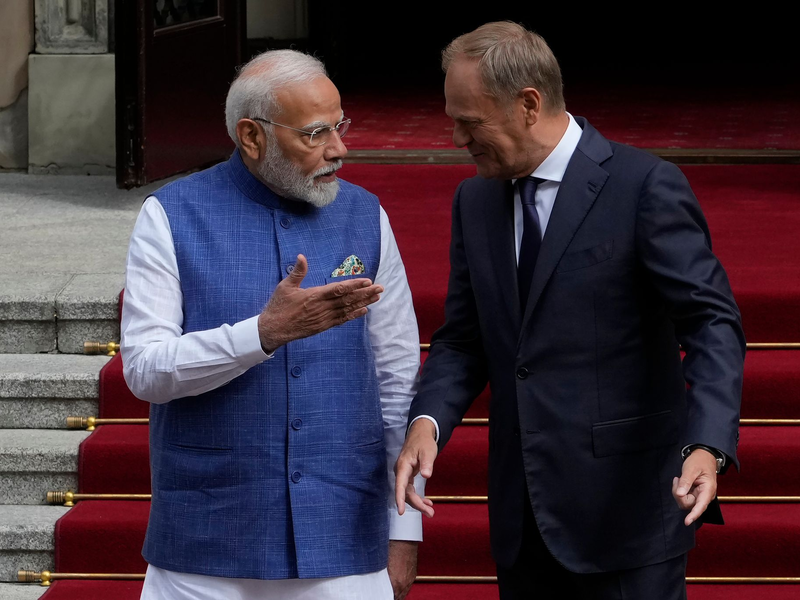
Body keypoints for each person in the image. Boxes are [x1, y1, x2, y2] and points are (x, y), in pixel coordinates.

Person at [395, 21, 745, 600]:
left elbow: (713, 323)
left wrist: (705, 443)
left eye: (470, 121)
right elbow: (463, 337)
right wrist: (427, 422)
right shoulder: (474, 199)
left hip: (626, 517)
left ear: (528, 104)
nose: (457, 138)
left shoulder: (644, 186)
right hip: (522, 517)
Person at [121, 49, 423, 600]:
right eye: (314, 134)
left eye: (340, 126)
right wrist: (259, 335)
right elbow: (144, 371)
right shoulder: (170, 215)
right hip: (205, 545)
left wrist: (404, 529)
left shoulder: (366, 215)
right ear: (251, 136)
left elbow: (398, 375)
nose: (339, 149)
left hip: (343, 539)